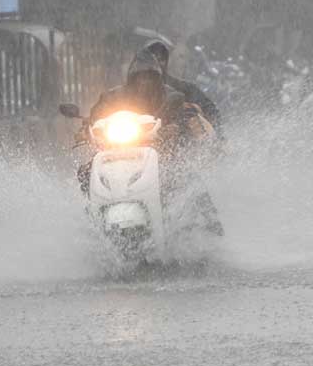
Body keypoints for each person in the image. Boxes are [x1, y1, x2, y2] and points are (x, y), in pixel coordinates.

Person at [85, 48, 222, 235]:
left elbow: (185, 114)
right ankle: (90, 222)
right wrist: (85, 128)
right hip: (119, 151)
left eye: (149, 77)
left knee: (187, 177)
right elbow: (97, 116)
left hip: (161, 152)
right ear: (131, 78)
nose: (144, 82)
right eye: (139, 77)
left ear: (157, 78)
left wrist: (177, 127)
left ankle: (211, 226)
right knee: (85, 171)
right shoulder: (113, 97)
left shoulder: (171, 96)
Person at [143, 40, 221, 133]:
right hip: (134, 136)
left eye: (160, 59)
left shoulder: (185, 89)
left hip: (172, 138)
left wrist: (190, 116)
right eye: (151, 59)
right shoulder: (132, 88)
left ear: (167, 61)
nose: (155, 62)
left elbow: (211, 112)